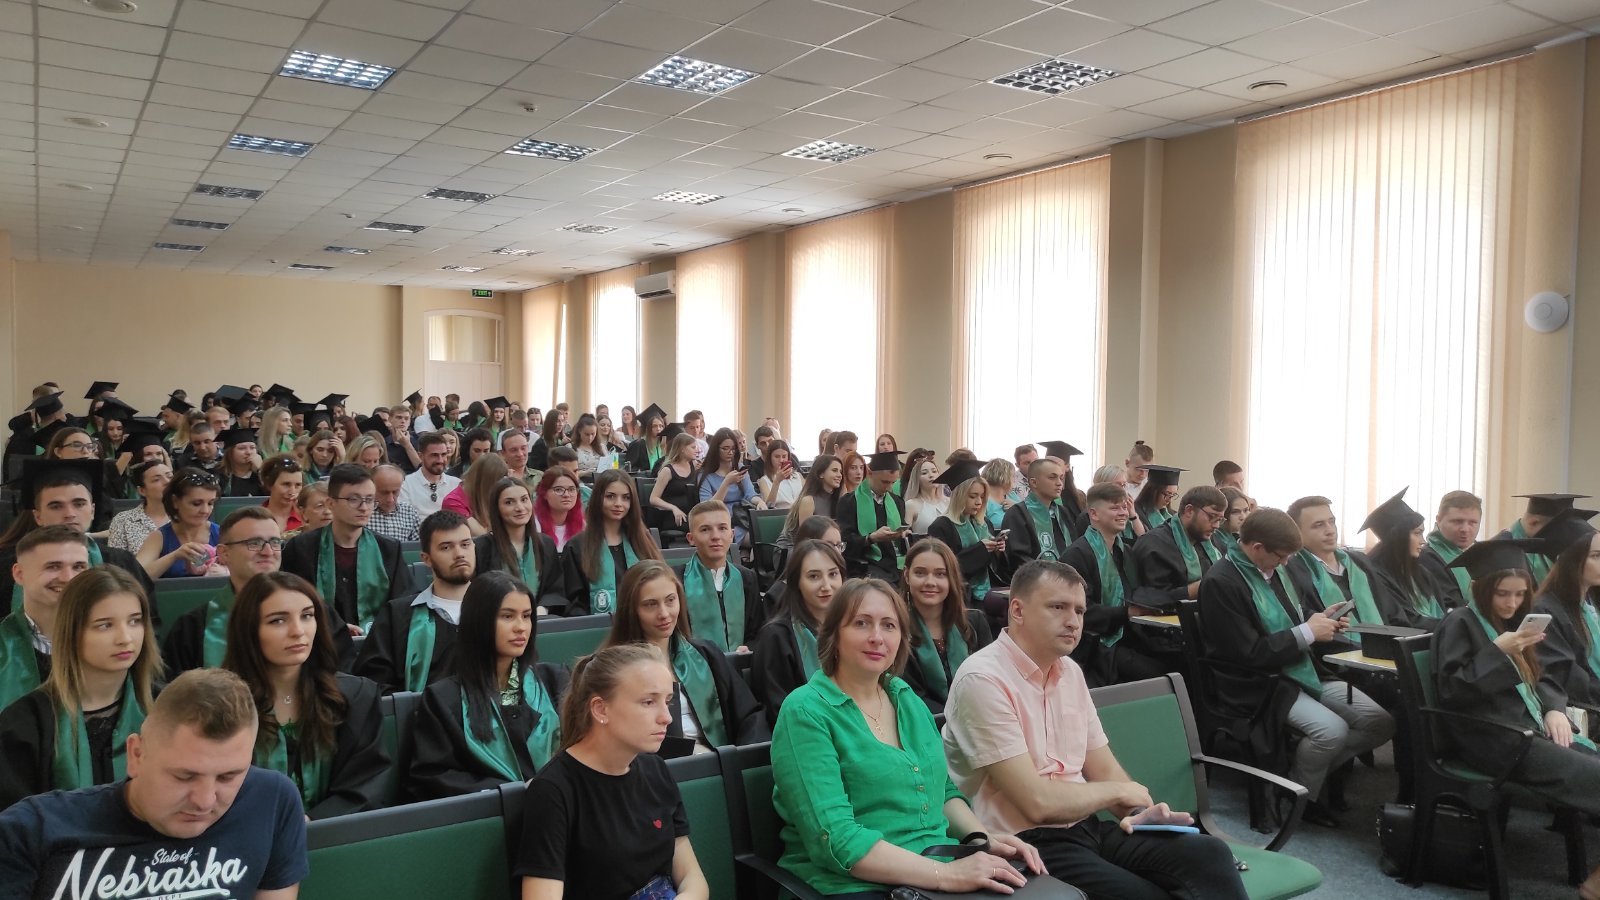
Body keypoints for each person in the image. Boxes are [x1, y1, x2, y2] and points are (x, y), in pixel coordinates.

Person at [943, 559, 1250, 900]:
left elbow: (1103, 768)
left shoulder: (1069, 672)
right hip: (1020, 844)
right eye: (1057, 607)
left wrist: (1137, 813)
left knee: (1209, 855)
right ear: (1017, 610)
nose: (1073, 621)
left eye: (1079, 611)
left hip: (1084, 828)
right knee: (1143, 895)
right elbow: (1036, 802)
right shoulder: (983, 679)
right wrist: (1117, 793)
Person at [770, 577, 1044, 896]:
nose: (877, 637)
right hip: (852, 885)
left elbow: (941, 789)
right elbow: (837, 840)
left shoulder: (905, 697)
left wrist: (981, 840)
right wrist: (946, 874)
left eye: (889, 625)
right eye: (861, 623)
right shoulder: (806, 711)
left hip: (935, 867)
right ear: (833, 634)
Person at [0, 668, 309, 900]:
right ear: (136, 754)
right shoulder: (29, 831)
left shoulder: (272, 802)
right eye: (184, 776)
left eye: (228, 777)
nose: (204, 800)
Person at [1197, 507, 1394, 827]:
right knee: (1331, 731)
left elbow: (1289, 620)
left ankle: (1295, 778)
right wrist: (1307, 633)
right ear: (1257, 548)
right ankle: (1300, 797)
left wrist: (1321, 619)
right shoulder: (1222, 582)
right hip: (1255, 681)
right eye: (1282, 556)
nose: (1287, 562)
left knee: (1379, 722)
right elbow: (1248, 653)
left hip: (1299, 667)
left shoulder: (1275, 570)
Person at [1435, 538, 1600, 899]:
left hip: (1530, 727)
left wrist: (1554, 708)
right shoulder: (1460, 623)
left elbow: (1544, 676)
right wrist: (1497, 652)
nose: (1512, 603)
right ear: (1482, 589)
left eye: (1520, 594)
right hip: (1494, 737)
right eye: (1502, 594)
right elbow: (1452, 691)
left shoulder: (1515, 623)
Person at [514, 642, 711, 899]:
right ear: (601, 709)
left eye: (667, 701)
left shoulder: (656, 770)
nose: (667, 717)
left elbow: (691, 878)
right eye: (649, 702)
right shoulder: (553, 790)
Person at [221, 571, 388, 818]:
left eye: (307, 616)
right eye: (278, 621)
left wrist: (313, 821)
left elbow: (365, 784)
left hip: (336, 833)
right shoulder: (220, 706)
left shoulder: (355, 696)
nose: (298, 631)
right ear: (249, 630)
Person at [0, 568, 159, 812]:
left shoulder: (165, 708)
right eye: (105, 625)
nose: (125, 638)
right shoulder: (24, 725)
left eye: (135, 621)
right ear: (71, 632)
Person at [409, 572, 569, 800]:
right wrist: (511, 793)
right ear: (479, 621)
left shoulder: (554, 681)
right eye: (507, 616)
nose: (521, 627)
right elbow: (434, 776)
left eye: (526, 616)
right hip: (495, 813)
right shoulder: (444, 699)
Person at [161, 507, 357, 676]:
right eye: (254, 543)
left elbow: (341, 680)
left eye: (275, 542)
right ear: (224, 553)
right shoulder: (192, 629)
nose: (268, 552)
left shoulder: (315, 614)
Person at [602, 561, 768, 753]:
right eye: (651, 604)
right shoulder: (614, 670)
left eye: (670, 600)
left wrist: (738, 758)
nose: (664, 613)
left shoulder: (706, 655)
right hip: (660, 766)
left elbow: (750, 716)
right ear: (632, 610)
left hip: (719, 762)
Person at [0, 461, 152, 613]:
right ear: (38, 516)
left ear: (92, 511)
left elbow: (148, 619)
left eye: (79, 504)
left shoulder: (121, 562)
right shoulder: (10, 566)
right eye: (56, 506)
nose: (70, 514)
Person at [354, 510, 476, 693]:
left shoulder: (497, 609)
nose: (459, 554)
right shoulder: (398, 615)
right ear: (426, 559)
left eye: (465, 544)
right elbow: (374, 683)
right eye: (446, 547)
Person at [1061, 482, 1167, 687]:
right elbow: (1080, 612)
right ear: (1094, 514)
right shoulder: (1077, 555)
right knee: (1160, 674)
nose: (1123, 513)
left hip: (1130, 637)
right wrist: (1126, 613)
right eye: (1114, 508)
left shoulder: (1125, 551)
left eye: (1124, 507)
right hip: (1097, 645)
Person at [280, 463, 408, 632]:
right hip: (319, 639)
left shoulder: (388, 549)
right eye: (353, 499)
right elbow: (289, 601)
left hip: (376, 640)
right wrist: (336, 627)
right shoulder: (301, 548)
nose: (364, 507)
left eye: (369, 499)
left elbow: (402, 604)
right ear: (331, 503)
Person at [750, 539, 845, 730]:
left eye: (833, 574)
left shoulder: (851, 628)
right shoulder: (776, 637)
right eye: (814, 576)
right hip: (806, 733)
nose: (826, 585)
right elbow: (779, 709)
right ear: (796, 582)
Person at [1283, 495, 1405, 634]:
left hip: (1382, 642)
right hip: (1335, 645)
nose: (1330, 530)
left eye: (1332, 522)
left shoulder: (1359, 561)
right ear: (1297, 532)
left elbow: (1391, 610)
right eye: (1319, 525)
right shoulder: (1292, 571)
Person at [899, 539, 992, 713]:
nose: (930, 582)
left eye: (940, 574)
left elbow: (991, 680)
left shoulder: (975, 623)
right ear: (906, 575)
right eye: (920, 573)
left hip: (980, 716)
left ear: (952, 578)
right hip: (928, 722)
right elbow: (912, 698)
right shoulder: (897, 631)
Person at [562, 470, 663, 616]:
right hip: (597, 625)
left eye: (626, 498)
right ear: (598, 498)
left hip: (644, 623)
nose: (618, 504)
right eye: (610, 496)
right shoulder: (577, 546)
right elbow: (574, 602)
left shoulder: (642, 540)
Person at [1531, 511, 1600, 723]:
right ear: (1569, 560)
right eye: (1596, 556)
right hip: (1585, 712)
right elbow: (1566, 676)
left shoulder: (1590, 602)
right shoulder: (1545, 611)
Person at [676, 500, 763, 652]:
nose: (715, 536)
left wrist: (748, 648)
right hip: (692, 663)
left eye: (722, 528)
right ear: (691, 538)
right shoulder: (676, 580)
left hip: (740, 662)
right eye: (705, 530)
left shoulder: (747, 578)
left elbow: (757, 630)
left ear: (732, 535)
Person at [1126, 485, 1227, 612]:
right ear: (1189, 510)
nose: (1216, 525)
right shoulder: (1154, 545)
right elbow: (1148, 599)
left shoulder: (1214, 543)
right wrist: (1192, 591)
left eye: (1220, 520)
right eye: (1212, 517)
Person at [474, 476, 566, 612]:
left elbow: (555, 589)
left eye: (524, 500)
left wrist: (543, 609)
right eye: (509, 502)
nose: (520, 508)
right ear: (496, 508)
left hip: (541, 619)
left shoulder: (545, 544)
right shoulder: (482, 547)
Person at [1363, 488, 1449, 630]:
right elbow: (1404, 621)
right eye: (1417, 533)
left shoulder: (1422, 573)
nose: (1423, 541)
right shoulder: (1375, 576)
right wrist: (1451, 625)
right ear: (1397, 536)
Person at [927, 461, 1006, 607]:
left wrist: (997, 550)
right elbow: (944, 568)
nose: (979, 502)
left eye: (982, 496)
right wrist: (981, 550)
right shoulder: (941, 527)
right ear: (959, 495)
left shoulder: (984, 523)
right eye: (973, 496)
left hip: (988, 591)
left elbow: (994, 567)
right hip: (959, 596)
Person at [836, 450, 909, 581]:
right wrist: (870, 538)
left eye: (893, 483)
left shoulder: (897, 501)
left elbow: (903, 533)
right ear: (869, 473)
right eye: (885, 482)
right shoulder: (849, 502)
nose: (889, 488)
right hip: (865, 566)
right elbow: (843, 542)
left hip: (896, 564)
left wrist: (904, 534)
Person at [136, 468, 222, 579]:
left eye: (210, 503)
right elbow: (136, 576)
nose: (205, 510)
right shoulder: (159, 537)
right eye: (196, 503)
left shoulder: (222, 534)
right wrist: (175, 555)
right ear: (175, 501)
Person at [1002, 455, 1077, 573]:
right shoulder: (1017, 514)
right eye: (1052, 477)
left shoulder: (1063, 512)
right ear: (1034, 482)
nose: (1059, 483)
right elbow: (1018, 557)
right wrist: (1049, 576)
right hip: (1035, 580)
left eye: (1061, 478)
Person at [1497, 492, 1592, 585]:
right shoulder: (1500, 551)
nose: (1561, 536)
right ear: (1534, 523)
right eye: (1556, 530)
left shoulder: (1548, 545)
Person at [697, 427, 763, 544]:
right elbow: (707, 507)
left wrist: (760, 502)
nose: (730, 452)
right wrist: (726, 483)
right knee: (757, 539)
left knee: (762, 536)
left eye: (733, 449)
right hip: (720, 520)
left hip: (742, 518)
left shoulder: (739, 468)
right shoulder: (706, 474)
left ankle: (746, 553)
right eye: (725, 448)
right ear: (716, 449)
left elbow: (750, 494)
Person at [1424, 490, 1483, 606]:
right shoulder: (1427, 558)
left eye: (1472, 522)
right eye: (1457, 521)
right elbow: (1451, 605)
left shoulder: (1484, 555)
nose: (1465, 529)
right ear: (1438, 520)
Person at [106, 460, 171, 554]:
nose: (167, 482)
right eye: (157, 479)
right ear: (142, 490)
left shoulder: (186, 515)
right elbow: (116, 560)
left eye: (170, 476)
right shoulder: (123, 520)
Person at [442, 452, 509, 534]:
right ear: (486, 482)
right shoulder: (453, 502)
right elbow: (481, 534)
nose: (499, 488)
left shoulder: (488, 496)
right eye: (497, 483)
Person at [781, 452, 841, 541]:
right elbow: (804, 538)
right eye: (834, 470)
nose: (839, 475)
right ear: (821, 474)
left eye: (840, 471)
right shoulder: (808, 501)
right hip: (793, 546)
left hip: (824, 545)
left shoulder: (837, 499)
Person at [400, 432, 461, 517]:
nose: (440, 460)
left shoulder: (457, 484)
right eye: (434, 455)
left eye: (443, 454)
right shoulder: (405, 484)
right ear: (421, 456)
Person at [648, 432, 700, 530]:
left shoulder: (695, 466)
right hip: (674, 516)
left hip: (692, 514)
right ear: (682, 449)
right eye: (693, 447)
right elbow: (653, 499)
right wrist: (673, 508)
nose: (697, 450)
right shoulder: (667, 470)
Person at [533, 467, 584, 553]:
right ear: (544, 493)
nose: (566, 495)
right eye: (558, 490)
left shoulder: (583, 525)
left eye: (571, 489)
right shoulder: (534, 524)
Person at [367, 463, 422, 543]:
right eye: (384, 493)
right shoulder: (363, 512)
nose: (390, 499)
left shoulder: (409, 512)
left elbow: (416, 547)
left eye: (395, 492)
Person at [901, 454, 948, 534]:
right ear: (917, 479)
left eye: (934, 471)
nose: (931, 475)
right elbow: (905, 535)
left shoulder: (947, 502)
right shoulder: (911, 504)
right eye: (924, 473)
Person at [259, 455, 305, 535]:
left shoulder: (307, 518)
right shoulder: (255, 518)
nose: (292, 491)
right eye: (286, 484)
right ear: (269, 484)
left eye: (298, 485)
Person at [1131, 465, 1183, 532]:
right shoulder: (1135, 513)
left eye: (1173, 495)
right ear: (1153, 491)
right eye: (1167, 494)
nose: (1169, 500)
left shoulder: (1173, 515)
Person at [757, 439, 803, 509]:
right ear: (770, 458)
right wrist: (777, 482)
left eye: (784, 456)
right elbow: (769, 506)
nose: (781, 460)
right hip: (781, 513)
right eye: (777, 457)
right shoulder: (764, 481)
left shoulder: (798, 476)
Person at [216, 430, 262, 498]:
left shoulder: (263, 474)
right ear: (230, 452)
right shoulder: (218, 475)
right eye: (242, 448)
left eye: (252, 447)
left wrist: (261, 470)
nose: (248, 452)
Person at [984, 458, 1019, 530]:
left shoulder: (1012, 495)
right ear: (1004, 477)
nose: (1015, 479)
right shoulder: (983, 501)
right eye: (1013, 476)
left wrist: (1017, 508)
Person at [1216, 487, 1249, 553]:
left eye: (1246, 510)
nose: (1243, 517)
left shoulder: (1239, 537)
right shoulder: (1215, 541)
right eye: (1235, 512)